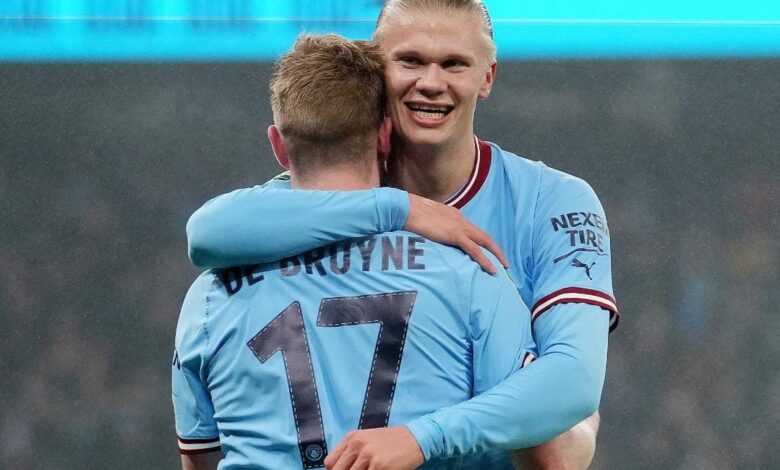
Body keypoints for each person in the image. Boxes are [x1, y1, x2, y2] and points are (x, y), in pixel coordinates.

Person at [186, 1, 618, 469]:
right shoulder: (323, 201)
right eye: (410, 61)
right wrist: (401, 208)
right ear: (378, 70)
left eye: (454, 63)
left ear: (487, 77)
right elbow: (207, 233)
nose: (431, 82)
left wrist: (420, 437)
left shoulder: (550, 201)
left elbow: (573, 381)